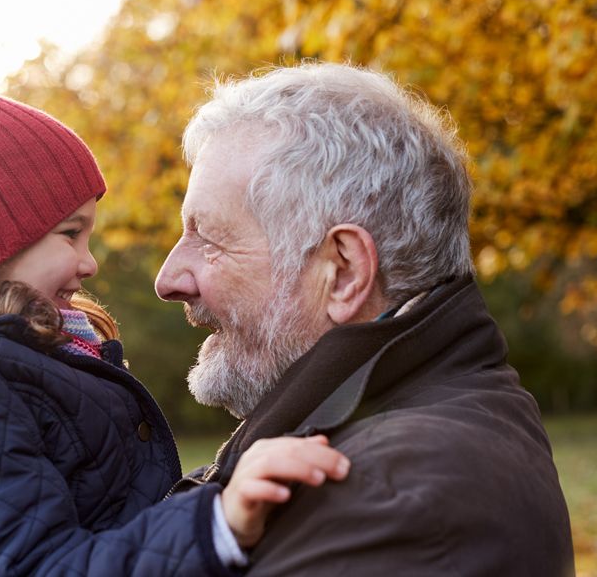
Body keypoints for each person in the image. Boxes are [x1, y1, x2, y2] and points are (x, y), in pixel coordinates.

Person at [0, 87, 351, 576]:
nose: (89, 263)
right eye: (70, 234)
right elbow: (27, 565)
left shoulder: (14, 351)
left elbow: (108, 513)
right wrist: (215, 522)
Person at [155, 63, 575, 576]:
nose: (169, 278)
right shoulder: (355, 442)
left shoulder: (390, 497)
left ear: (345, 272)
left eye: (210, 239)